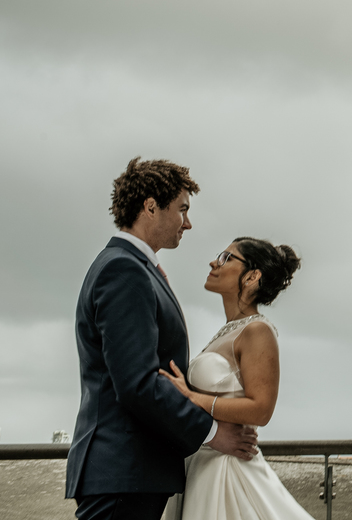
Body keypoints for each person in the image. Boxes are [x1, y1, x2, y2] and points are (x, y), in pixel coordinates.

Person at [66, 158, 258, 520]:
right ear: (151, 207)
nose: (188, 222)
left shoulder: (131, 267)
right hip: (124, 471)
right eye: (182, 209)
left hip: (131, 474)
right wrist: (213, 433)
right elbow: (137, 383)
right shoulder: (124, 270)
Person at [158, 236, 309, 520]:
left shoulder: (257, 330)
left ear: (252, 276)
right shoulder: (227, 331)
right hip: (202, 463)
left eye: (227, 258)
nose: (215, 262)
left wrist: (192, 397)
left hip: (228, 470)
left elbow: (261, 409)